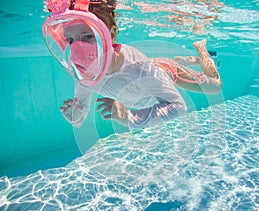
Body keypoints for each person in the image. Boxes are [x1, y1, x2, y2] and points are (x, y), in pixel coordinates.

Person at [42, 0, 222, 130]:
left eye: (88, 36)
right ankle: (185, 58)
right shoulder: (84, 77)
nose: (77, 50)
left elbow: (178, 107)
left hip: (169, 73)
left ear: (111, 35)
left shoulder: (138, 68)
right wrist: (76, 118)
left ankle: (202, 50)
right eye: (70, 40)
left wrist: (128, 116)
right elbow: (80, 118)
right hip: (152, 75)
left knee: (214, 86)